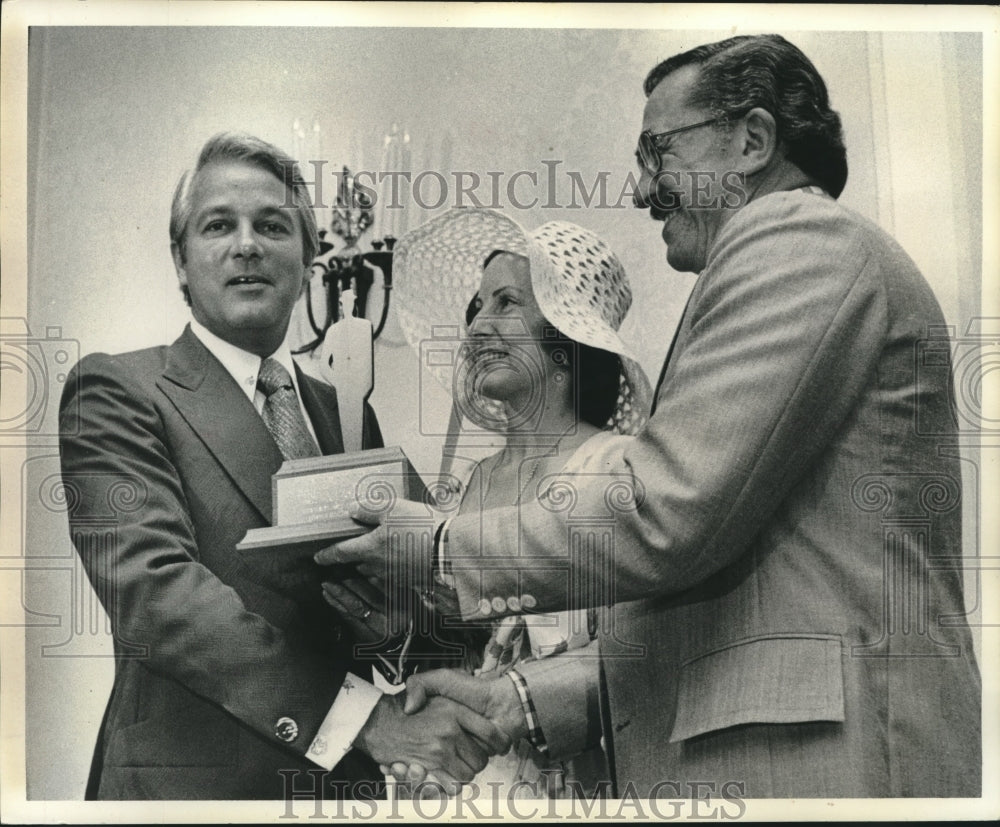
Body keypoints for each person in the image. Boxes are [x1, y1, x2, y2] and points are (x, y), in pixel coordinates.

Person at [324, 35, 982, 798]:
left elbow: (662, 508)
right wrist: (518, 699)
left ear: (753, 139)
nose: (640, 191)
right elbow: (720, 602)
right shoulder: (798, 258)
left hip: (827, 760)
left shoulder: (794, 241)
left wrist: (437, 547)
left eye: (657, 152)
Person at [57, 132, 508, 800]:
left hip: (336, 793)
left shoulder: (346, 412)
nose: (247, 244)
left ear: (309, 260)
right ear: (181, 261)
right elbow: (157, 596)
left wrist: (397, 635)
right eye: (218, 226)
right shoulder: (118, 389)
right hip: (189, 792)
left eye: (272, 225)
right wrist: (368, 719)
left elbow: (403, 602)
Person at [320, 208, 651, 800]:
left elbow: (638, 659)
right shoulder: (472, 483)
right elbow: (465, 657)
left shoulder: (617, 466)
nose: (476, 328)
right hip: (462, 789)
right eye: (477, 309)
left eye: (505, 303)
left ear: (565, 336)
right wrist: (402, 634)